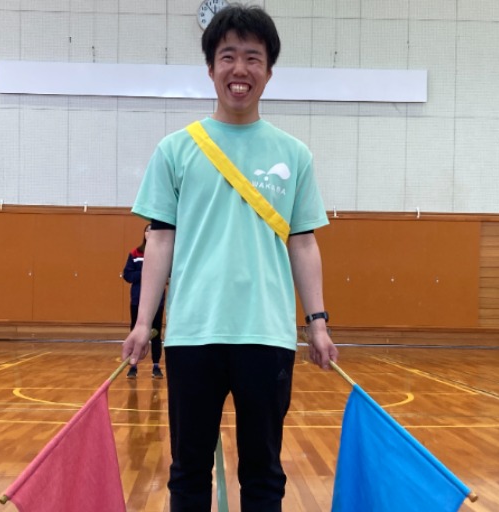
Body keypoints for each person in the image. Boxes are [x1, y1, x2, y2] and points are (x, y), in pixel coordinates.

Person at [122, 4, 338, 511]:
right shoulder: (175, 150)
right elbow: (159, 241)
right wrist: (144, 324)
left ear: (269, 71)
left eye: (253, 58)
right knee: (187, 472)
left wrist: (318, 323)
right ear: (211, 68)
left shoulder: (294, 155)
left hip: (267, 335)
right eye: (228, 57)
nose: (240, 69)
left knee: (264, 473)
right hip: (192, 334)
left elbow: (303, 242)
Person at [122, 223, 165, 379]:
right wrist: (146, 272)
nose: (150, 233)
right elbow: (127, 275)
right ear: (144, 234)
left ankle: (156, 366)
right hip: (137, 300)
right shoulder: (135, 253)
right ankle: (133, 367)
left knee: (156, 334)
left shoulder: (163, 253)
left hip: (157, 302)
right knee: (135, 332)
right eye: (147, 230)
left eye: (153, 230)